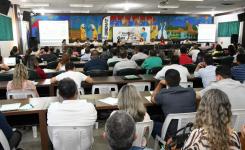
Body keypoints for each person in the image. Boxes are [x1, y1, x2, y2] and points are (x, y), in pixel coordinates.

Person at [151, 69, 196, 138]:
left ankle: (163, 146)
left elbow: (152, 98)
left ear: (166, 81)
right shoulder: (191, 92)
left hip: (171, 134)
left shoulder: (163, 93)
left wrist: (160, 84)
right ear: (180, 79)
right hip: (189, 130)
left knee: (152, 123)